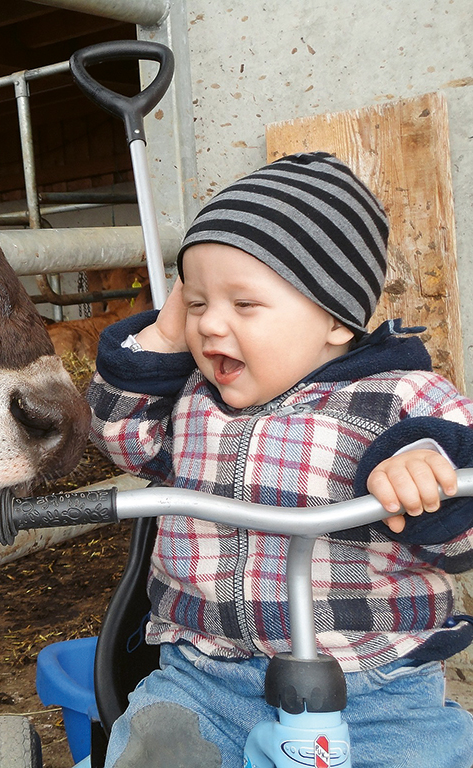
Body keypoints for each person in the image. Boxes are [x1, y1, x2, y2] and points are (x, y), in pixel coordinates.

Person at [87, 151, 473, 768]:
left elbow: (463, 526)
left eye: (244, 305)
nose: (211, 325)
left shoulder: (402, 397)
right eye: (197, 304)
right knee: (153, 752)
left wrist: (428, 471)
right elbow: (120, 437)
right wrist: (160, 340)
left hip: (378, 688)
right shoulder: (192, 399)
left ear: (338, 320)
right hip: (206, 677)